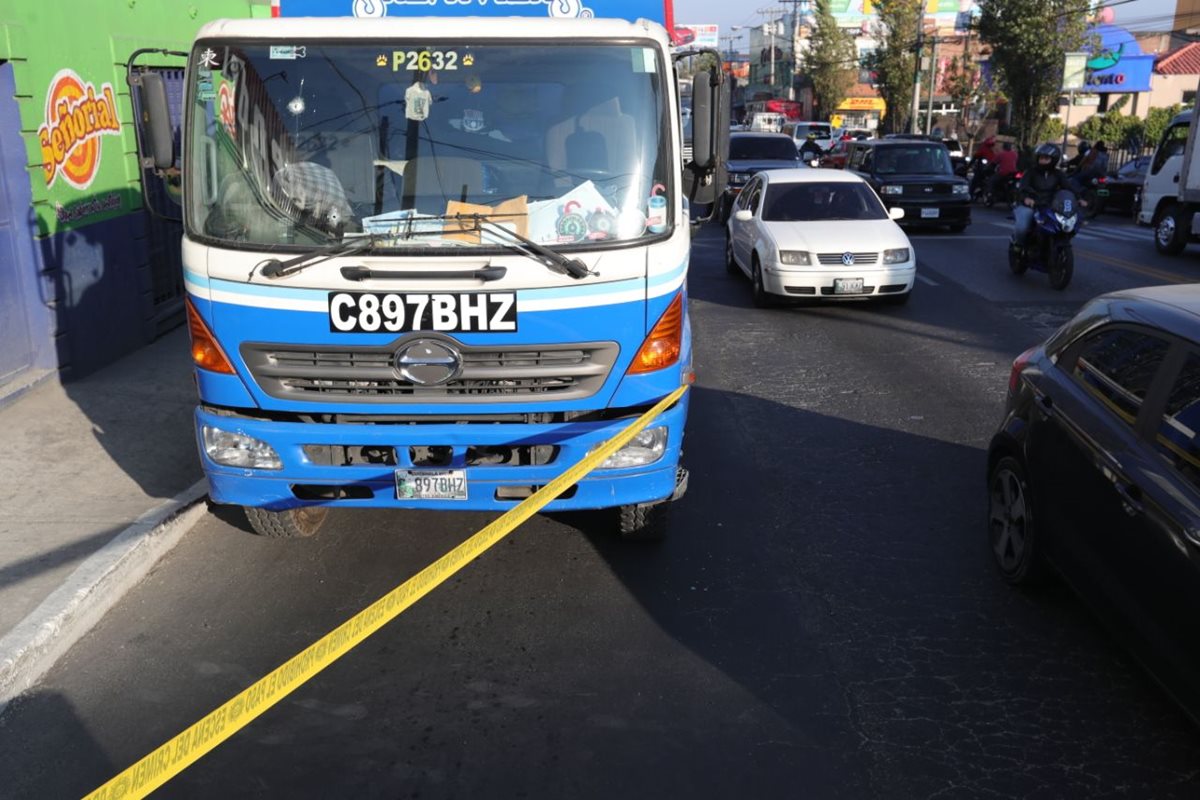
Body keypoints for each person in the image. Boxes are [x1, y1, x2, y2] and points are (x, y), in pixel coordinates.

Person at [1012, 143, 1071, 251]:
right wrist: (1026, 198)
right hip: (1030, 205)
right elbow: (1022, 188)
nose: (1042, 160)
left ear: (1053, 159)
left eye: (1046, 158)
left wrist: (1079, 198)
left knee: (1062, 227)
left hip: (1050, 206)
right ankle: (1018, 244)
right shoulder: (1030, 172)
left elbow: (1068, 188)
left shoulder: (1059, 174)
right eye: (1041, 157)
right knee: (1022, 227)